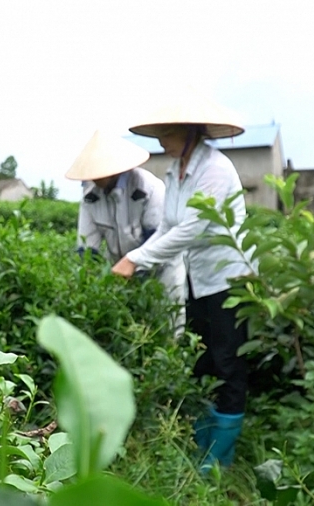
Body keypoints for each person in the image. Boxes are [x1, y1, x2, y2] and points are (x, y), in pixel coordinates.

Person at [110, 91, 256, 472]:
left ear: (188, 132)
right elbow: (167, 227)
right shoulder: (175, 171)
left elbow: (194, 228)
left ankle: (219, 460)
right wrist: (135, 259)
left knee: (228, 363)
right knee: (203, 359)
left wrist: (136, 258)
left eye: (166, 132)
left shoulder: (216, 169)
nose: (160, 140)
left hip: (228, 279)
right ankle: (204, 442)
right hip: (199, 280)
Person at [65, 130, 186, 333]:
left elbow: (157, 239)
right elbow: (87, 248)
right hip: (122, 271)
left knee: (166, 328)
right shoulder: (90, 196)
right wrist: (85, 285)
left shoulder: (149, 188)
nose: (93, 179)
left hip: (162, 270)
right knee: (131, 328)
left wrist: (134, 268)